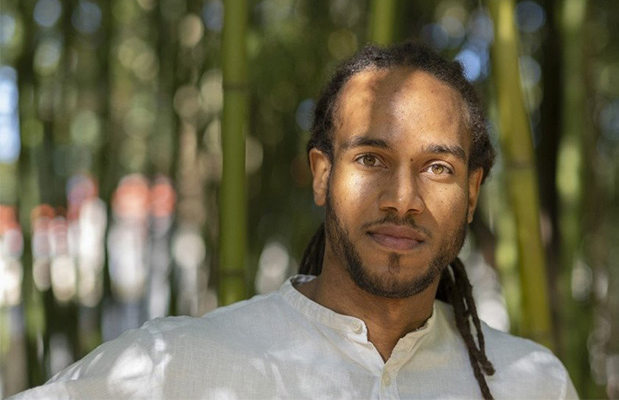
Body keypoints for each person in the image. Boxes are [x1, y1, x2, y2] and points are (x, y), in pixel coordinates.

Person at [13, 43, 578, 399]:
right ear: (322, 175)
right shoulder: (180, 367)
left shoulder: (532, 382)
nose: (403, 199)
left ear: (472, 193)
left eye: (437, 167)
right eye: (371, 160)